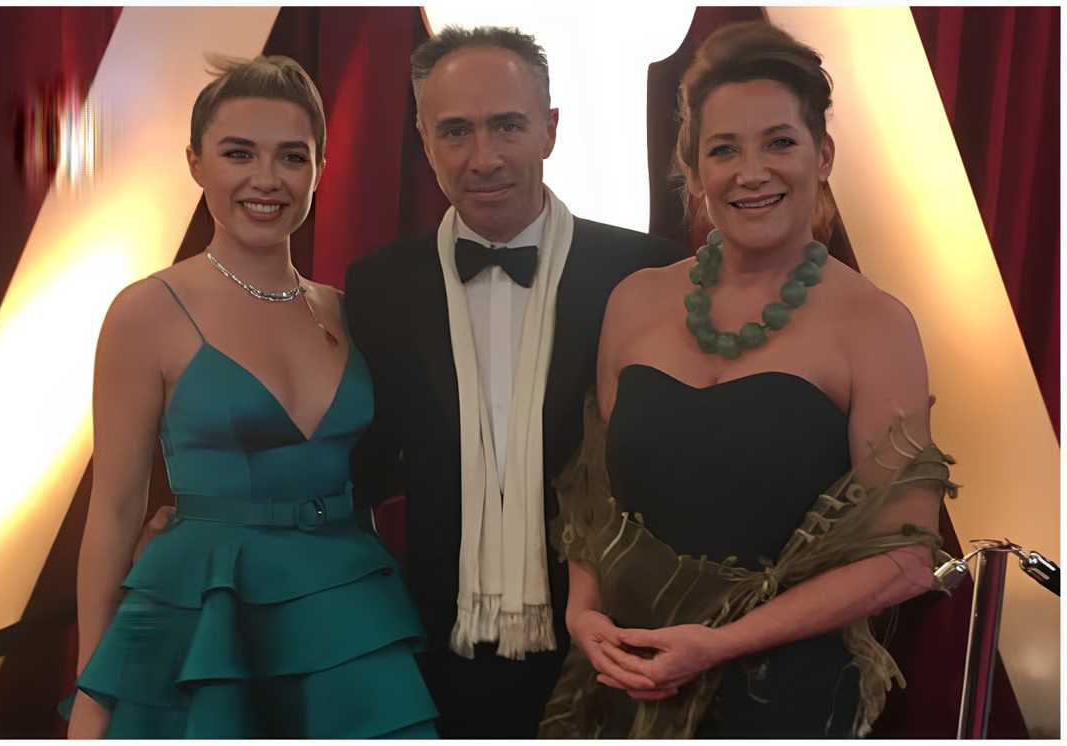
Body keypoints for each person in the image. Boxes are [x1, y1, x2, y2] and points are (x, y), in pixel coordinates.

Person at [538, 21, 958, 738]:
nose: (751, 171)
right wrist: (584, 611)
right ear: (693, 166)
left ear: (822, 154)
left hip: (782, 696)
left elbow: (906, 558)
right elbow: (597, 496)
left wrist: (721, 645)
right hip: (626, 680)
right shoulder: (635, 300)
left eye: (779, 142)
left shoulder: (876, 325)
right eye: (723, 148)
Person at [65, 55, 437, 739]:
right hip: (203, 617)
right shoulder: (146, 311)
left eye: (291, 157)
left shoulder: (350, 311)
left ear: (318, 170)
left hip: (345, 613)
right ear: (196, 162)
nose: (267, 179)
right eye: (240, 153)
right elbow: (115, 510)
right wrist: (97, 681)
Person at [343, 27, 685, 738]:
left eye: (507, 125)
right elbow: (361, 462)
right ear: (423, 139)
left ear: (550, 129)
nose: (484, 157)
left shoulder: (645, 274)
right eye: (456, 131)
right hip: (434, 643)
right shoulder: (378, 285)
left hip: (614, 641)